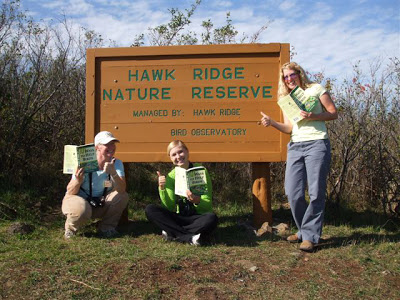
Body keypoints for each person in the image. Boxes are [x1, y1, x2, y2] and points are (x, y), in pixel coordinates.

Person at [260, 62, 338, 252]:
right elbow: (289, 128)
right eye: (285, 77)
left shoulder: (316, 89)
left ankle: (310, 236)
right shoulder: (287, 99)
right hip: (295, 145)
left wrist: (313, 116)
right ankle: (304, 231)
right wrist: (272, 123)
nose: (288, 79)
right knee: (293, 193)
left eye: (291, 75)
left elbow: (333, 113)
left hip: (317, 143)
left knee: (315, 192)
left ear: (299, 73)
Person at [145, 140, 218, 245]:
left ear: (187, 152)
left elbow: (207, 205)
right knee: (150, 209)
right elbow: (169, 206)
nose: (178, 156)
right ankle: (189, 238)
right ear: (170, 158)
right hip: (180, 216)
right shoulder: (171, 176)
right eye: (174, 154)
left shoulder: (201, 171)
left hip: (197, 217)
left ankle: (173, 232)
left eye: (180, 152)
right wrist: (162, 188)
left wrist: (197, 201)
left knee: (212, 218)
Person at [62, 131, 129, 239]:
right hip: (79, 200)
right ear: (97, 147)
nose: (111, 147)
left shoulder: (117, 163)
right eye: (107, 144)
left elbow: (121, 189)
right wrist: (78, 180)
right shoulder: (83, 163)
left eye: (113, 143)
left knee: (122, 197)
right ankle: (70, 229)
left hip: (101, 202)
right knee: (81, 210)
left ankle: (106, 228)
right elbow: (70, 191)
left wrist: (114, 173)